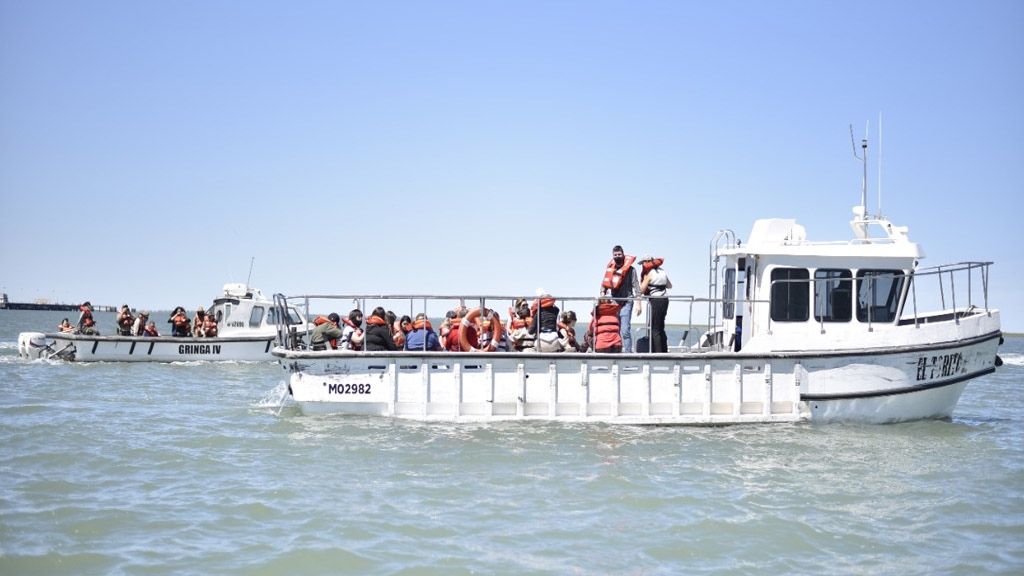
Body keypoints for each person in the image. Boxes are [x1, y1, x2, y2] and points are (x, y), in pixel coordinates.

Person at [602, 245, 641, 352]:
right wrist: (602, 294)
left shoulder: (631, 270)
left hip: (627, 301)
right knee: (615, 329)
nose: (617, 256)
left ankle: (628, 355)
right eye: (615, 255)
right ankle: (616, 353)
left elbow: (636, 285)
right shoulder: (611, 268)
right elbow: (604, 284)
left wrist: (639, 303)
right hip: (614, 302)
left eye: (619, 254)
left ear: (623, 255)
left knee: (625, 330)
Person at [639, 254, 673, 353]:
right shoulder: (662, 271)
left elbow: (641, 290)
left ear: (647, 262)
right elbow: (670, 286)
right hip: (665, 299)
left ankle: (657, 354)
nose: (642, 265)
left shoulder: (649, 274)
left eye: (643, 263)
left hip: (656, 300)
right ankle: (664, 351)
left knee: (654, 328)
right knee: (661, 326)